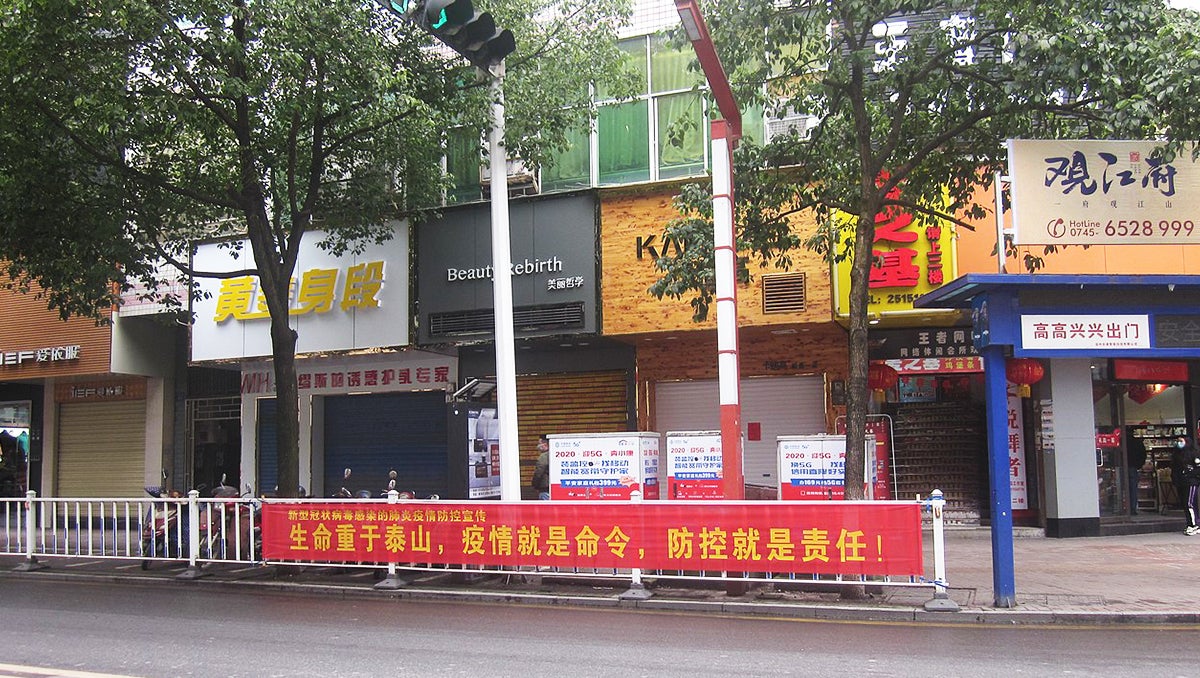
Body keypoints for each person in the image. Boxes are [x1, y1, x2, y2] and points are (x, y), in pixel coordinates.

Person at [1171, 437, 1200, 535]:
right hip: (1181, 482)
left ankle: (1193, 525)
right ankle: (1193, 523)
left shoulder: (1193, 454)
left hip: (1191, 482)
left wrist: (1189, 474)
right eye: (1178, 441)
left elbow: (1198, 469)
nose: (1179, 443)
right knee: (1186, 503)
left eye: (1181, 441)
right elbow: (1174, 468)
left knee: (1189, 503)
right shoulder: (1176, 455)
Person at [1127, 437, 1148, 515]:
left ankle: (1126, 508)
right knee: (1133, 488)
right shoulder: (1137, 443)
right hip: (1133, 467)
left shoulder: (1123, 441)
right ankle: (1132, 508)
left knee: (1123, 488)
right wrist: (1139, 465)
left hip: (1123, 466)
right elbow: (1143, 455)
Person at [531, 434, 550, 500]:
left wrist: (534, 485)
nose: (538, 446)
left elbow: (538, 472)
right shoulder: (554, 454)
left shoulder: (544, 456)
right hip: (552, 488)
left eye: (539, 443)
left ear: (545, 444)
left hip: (545, 489)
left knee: (546, 509)